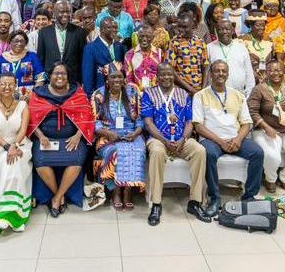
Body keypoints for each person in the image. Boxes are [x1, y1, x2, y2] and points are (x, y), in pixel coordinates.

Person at [140, 63, 209, 225]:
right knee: (156, 152)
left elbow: (189, 121)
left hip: (181, 139)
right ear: (157, 76)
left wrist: (183, 139)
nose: (166, 77)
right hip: (158, 140)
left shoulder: (183, 94)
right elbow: (148, 122)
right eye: (162, 74)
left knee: (199, 150)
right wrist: (164, 140)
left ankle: (195, 202)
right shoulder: (148, 94)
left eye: (169, 74)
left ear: (174, 76)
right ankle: (156, 204)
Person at [194, 60, 264, 215]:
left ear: (228, 74)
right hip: (212, 140)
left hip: (235, 138)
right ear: (211, 74)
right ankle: (215, 198)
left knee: (258, 153)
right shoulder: (200, 96)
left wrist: (238, 140)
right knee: (209, 154)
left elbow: (246, 123)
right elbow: (198, 126)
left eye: (224, 71)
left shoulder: (238, 95)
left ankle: (249, 197)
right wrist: (220, 142)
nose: (220, 74)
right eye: (217, 71)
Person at [28, 62, 95, 217]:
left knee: (75, 162)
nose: (60, 76)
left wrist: (78, 136)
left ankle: (57, 198)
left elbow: (88, 116)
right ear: (50, 76)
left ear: (68, 77)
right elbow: (31, 119)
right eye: (56, 73)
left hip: (73, 138)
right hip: (45, 139)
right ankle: (59, 195)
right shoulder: (39, 93)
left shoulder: (77, 92)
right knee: (41, 162)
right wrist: (41, 136)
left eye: (63, 74)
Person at [0, 74, 34, 235]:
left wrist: (14, 145)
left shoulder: (23, 105)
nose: (7, 87)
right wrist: (7, 146)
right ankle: (6, 211)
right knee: (1, 164)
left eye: (10, 84)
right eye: (3, 84)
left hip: (20, 144)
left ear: (16, 85)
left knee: (13, 164)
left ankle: (10, 214)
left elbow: (23, 130)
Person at [248, 58, 285, 193]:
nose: (276, 73)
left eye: (279, 70)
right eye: (271, 70)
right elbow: (252, 111)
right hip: (264, 131)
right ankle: (270, 179)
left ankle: (284, 178)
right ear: (266, 72)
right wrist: (266, 127)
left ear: (284, 71)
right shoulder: (259, 89)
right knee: (272, 156)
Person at [91, 67, 146, 211]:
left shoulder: (132, 92)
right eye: (113, 77)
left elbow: (140, 120)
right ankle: (116, 192)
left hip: (131, 133)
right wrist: (108, 134)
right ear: (107, 79)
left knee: (138, 149)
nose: (117, 80)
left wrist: (135, 133)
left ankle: (127, 192)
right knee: (115, 151)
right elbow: (95, 122)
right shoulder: (99, 95)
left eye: (119, 77)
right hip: (107, 135)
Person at [36, 0, 87, 84]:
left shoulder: (79, 32)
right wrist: (41, 81)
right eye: (62, 12)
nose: (66, 14)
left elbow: (82, 59)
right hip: (50, 80)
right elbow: (40, 59)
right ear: (54, 13)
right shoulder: (44, 32)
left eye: (68, 12)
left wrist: (81, 81)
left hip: (72, 80)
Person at [166, 11, 210, 95]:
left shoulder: (200, 42)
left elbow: (205, 67)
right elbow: (171, 70)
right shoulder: (173, 43)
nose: (181, 30)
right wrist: (190, 89)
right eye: (179, 27)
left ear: (192, 26)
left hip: (199, 90)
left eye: (185, 27)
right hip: (181, 90)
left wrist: (202, 90)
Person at [82, 17, 127, 95]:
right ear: (102, 29)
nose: (114, 30)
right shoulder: (90, 48)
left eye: (115, 27)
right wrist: (91, 98)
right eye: (110, 27)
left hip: (119, 95)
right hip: (100, 94)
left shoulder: (120, 47)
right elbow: (87, 78)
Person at [208, 19, 255, 95]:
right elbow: (207, 74)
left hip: (239, 95)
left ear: (233, 31)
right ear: (216, 31)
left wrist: (249, 95)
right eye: (220, 29)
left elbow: (249, 74)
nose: (224, 32)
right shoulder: (209, 48)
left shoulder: (241, 48)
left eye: (227, 29)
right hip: (214, 95)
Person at [0, 30, 45, 95]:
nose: (19, 44)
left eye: (22, 41)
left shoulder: (32, 57)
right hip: (7, 96)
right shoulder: (3, 58)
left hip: (28, 96)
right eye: (16, 41)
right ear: (10, 42)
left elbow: (40, 79)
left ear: (25, 43)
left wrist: (32, 95)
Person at [124, 24, 163, 91]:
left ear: (153, 37)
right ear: (137, 36)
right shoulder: (130, 55)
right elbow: (129, 79)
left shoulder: (159, 53)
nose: (144, 39)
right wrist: (137, 93)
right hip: (137, 93)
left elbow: (163, 75)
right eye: (141, 36)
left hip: (156, 92)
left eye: (148, 37)